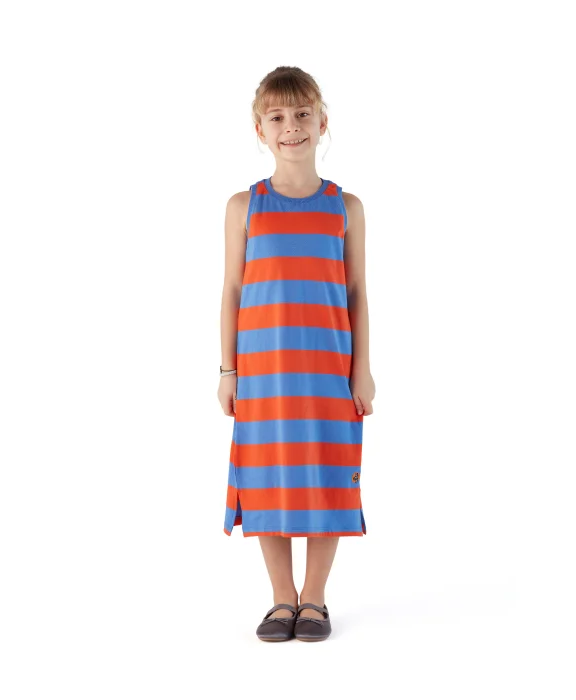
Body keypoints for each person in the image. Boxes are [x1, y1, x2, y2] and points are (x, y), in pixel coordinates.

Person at [217, 66, 376, 642]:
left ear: (322, 121)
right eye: (278, 116)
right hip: (264, 373)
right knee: (269, 477)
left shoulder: (346, 206)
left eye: (303, 114)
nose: (292, 126)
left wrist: (362, 370)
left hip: (328, 369)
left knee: (326, 474)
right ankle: (281, 598)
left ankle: (315, 598)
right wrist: (228, 371)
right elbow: (233, 291)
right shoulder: (245, 206)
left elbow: (355, 291)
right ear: (260, 129)